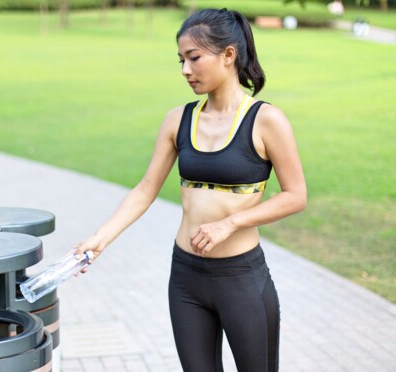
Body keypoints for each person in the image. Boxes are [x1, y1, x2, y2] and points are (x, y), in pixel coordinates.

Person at [75, 8, 307, 372]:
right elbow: (145, 189)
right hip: (186, 279)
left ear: (229, 55)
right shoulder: (178, 119)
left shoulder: (266, 120)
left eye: (194, 58)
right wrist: (101, 237)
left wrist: (229, 224)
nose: (185, 70)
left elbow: (296, 195)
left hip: (241, 279)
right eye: (181, 60)